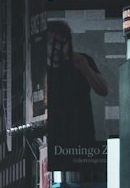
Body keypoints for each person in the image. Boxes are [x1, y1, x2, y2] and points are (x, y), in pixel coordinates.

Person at [46, 19, 108, 148]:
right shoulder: (41, 69)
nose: (57, 48)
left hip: (82, 137)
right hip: (52, 139)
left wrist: (86, 70)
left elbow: (103, 90)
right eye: (52, 43)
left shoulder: (81, 61)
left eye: (62, 43)